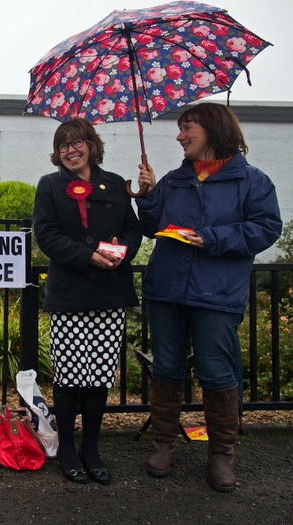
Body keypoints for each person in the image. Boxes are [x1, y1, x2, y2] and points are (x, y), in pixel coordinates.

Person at [135, 102, 282, 493]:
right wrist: (147, 197)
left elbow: (266, 228)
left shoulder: (252, 181)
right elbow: (151, 228)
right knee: (166, 367)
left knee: (216, 372)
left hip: (216, 293)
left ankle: (221, 454)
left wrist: (214, 238)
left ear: (214, 130)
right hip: (166, 289)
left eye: (188, 128)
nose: (180, 136)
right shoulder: (173, 180)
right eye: (180, 129)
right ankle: (163, 445)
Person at [33, 118, 142, 485]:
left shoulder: (113, 184)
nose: (71, 150)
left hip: (108, 294)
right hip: (69, 296)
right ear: (57, 152)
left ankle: (91, 448)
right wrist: (87, 255)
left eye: (77, 142)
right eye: (63, 144)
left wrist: (118, 253)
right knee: (68, 378)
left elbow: (131, 228)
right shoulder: (50, 186)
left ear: (91, 145)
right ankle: (66, 448)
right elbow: (46, 234)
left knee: (98, 379)